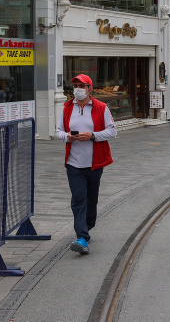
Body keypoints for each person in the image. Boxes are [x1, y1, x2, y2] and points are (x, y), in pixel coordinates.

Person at [55, 74, 117, 255]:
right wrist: (67, 137)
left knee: (91, 200)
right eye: (75, 85)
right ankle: (81, 237)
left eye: (81, 85)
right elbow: (58, 131)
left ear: (90, 88)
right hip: (74, 164)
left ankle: (87, 227)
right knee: (78, 199)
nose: (77, 89)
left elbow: (112, 131)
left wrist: (93, 135)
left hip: (95, 164)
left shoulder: (101, 107)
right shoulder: (67, 108)